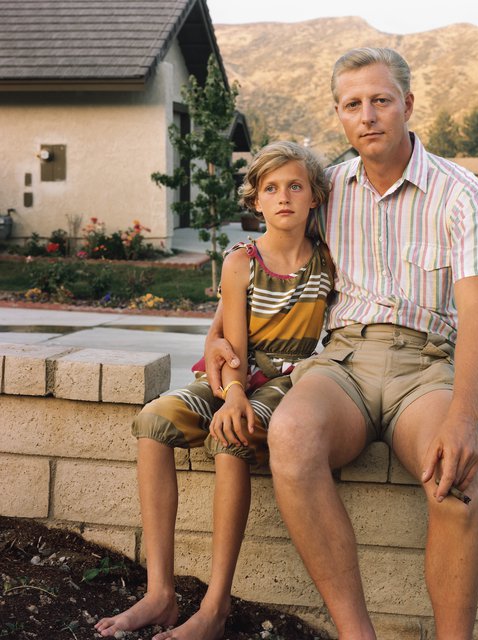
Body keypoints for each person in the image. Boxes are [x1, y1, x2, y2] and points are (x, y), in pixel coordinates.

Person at [206, 48, 478, 639]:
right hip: (342, 360)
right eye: (352, 105)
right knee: (290, 434)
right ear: (339, 116)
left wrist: (464, 417)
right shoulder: (326, 191)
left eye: (380, 100)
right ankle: (355, 633)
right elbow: (261, 255)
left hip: (425, 367)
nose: (367, 115)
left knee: (456, 481)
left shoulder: (461, 194)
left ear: (408, 106)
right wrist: (217, 333)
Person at [96, 141, 333, 640]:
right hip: (235, 376)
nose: (284, 197)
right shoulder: (240, 261)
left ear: (315, 197)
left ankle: (215, 604)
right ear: (256, 201)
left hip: (289, 383)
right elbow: (231, 344)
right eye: (271, 188)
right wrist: (231, 392)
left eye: (295, 186)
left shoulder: (327, 263)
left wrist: (240, 403)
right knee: (154, 420)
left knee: (230, 438)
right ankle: (160, 592)